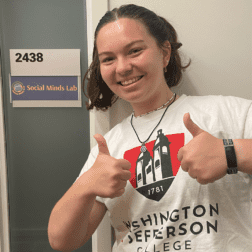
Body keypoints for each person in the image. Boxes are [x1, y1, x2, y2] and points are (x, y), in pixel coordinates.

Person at [48, 4, 252, 252]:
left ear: (165, 53)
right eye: (108, 59)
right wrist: (86, 185)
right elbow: (61, 242)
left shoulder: (229, 112)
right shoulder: (107, 148)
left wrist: (232, 152)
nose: (122, 67)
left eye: (134, 51)